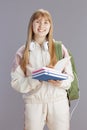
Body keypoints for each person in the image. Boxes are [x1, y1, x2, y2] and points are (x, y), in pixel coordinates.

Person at [11, 9, 74, 130]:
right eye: (38, 22)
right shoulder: (22, 52)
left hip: (58, 102)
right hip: (34, 103)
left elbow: (70, 77)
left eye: (46, 22)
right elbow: (15, 82)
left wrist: (60, 82)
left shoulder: (59, 48)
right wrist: (36, 79)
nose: (42, 26)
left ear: (50, 26)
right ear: (32, 25)